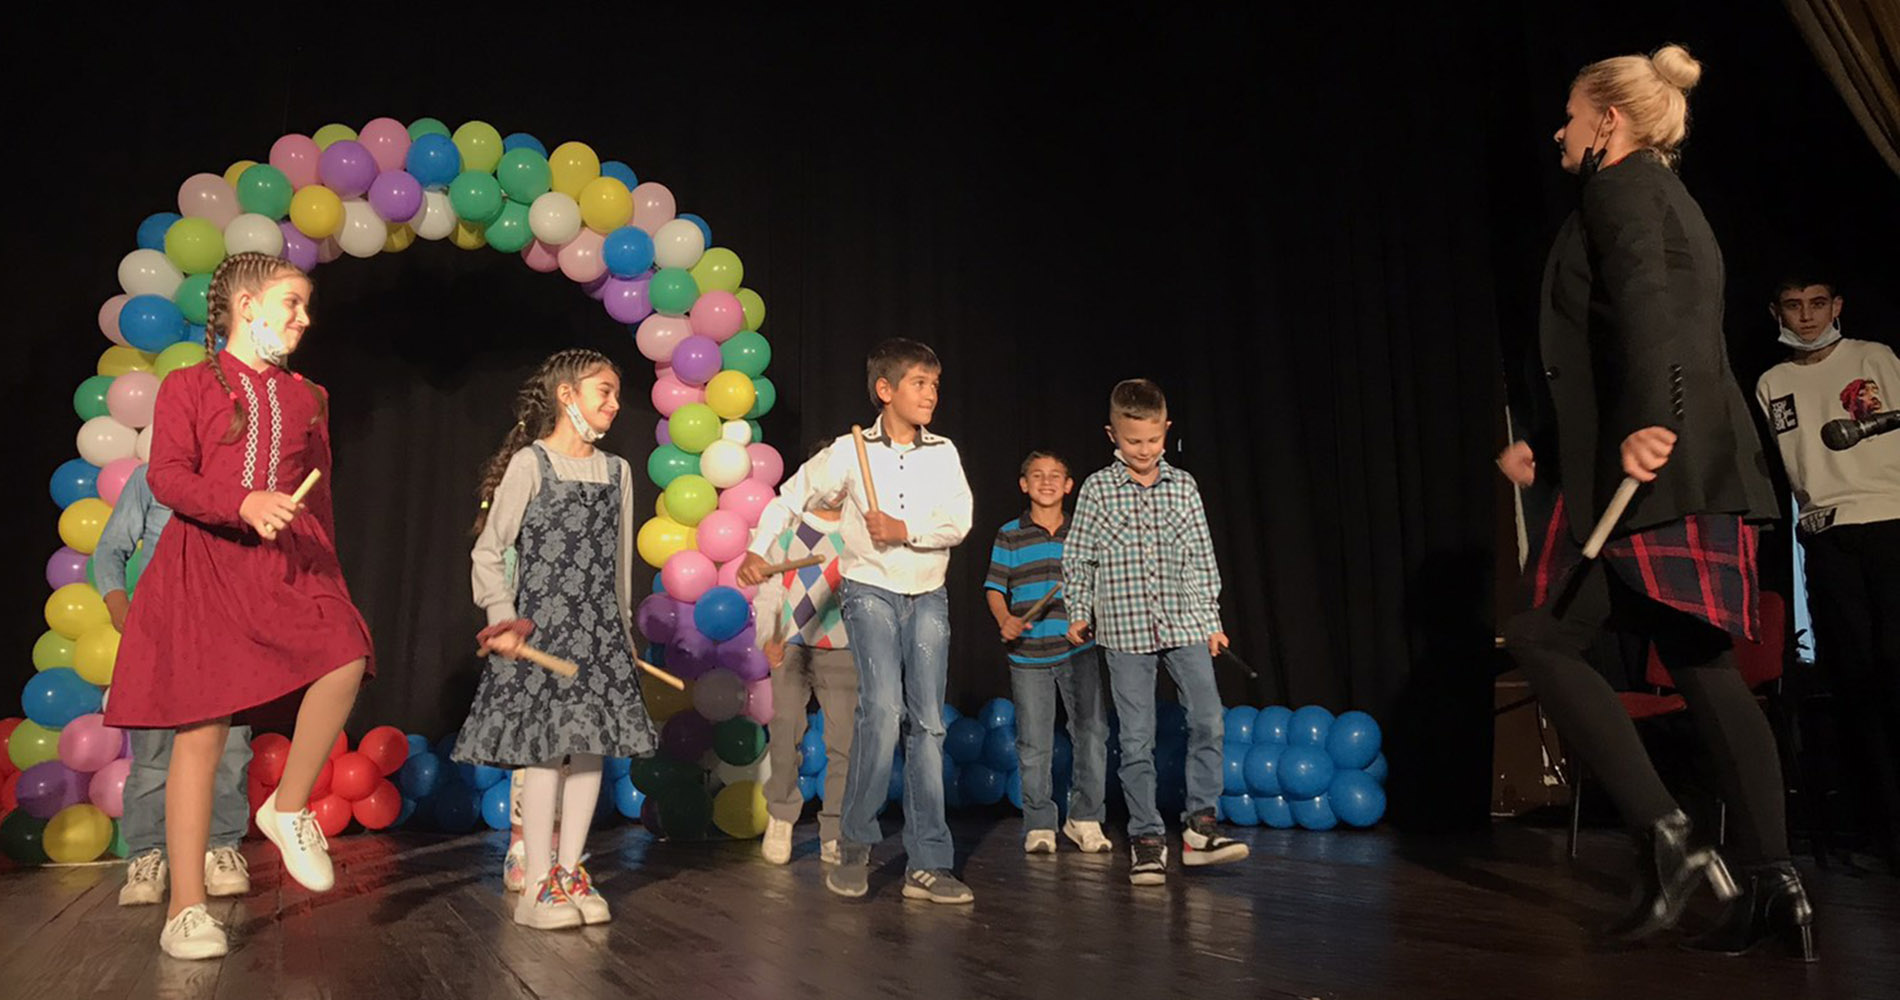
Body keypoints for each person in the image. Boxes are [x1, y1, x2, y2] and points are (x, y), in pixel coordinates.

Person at [1497, 45, 1812, 960]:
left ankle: (1669, 839)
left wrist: (1649, 423)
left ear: (1609, 119)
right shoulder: (1660, 193)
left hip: (1652, 464)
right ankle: (1775, 888)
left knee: (1542, 637)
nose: (1559, 132)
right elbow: (1615, 338)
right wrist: (1549, 442)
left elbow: (1654, 310)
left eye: (1569, 115)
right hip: (1676, 458)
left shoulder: (1624, 186)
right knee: (1700, 659)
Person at [105, 251, 372, 960]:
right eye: (292, 303)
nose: (304, 318)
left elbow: (321, 496)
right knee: (201, 736)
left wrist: (327, 571)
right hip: (206, 566)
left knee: (347, 653)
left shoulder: (309, 396)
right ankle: (186, 910)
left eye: (306, 306)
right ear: (247, 306)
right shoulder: (190, 385)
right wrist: (243, 502)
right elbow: (167, 477)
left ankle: (288, 808)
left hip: (287, 564)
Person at [738, 338, 975, 904]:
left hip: (928, 593)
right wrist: (758, 548)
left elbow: (960, 520)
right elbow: (789, 498)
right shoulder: (850, 452)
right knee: (883, 711)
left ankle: (929, 862)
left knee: (929, 726)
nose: (931, 394)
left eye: (935, 385)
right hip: (869, 590)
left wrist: (905, 530)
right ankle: (854, 847)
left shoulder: (943, 452)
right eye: (919, 383)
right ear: (885, 390)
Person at [458, 348, 659, 931]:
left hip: (598, 631)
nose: (614, 404)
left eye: (617, 393)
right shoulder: (531, 463)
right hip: (542, 628)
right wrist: (502, 617)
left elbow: (619, 564)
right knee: (546, 751)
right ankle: (537, 884)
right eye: (604, 391)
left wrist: (622, 632)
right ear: (567, 395)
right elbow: (489, 550)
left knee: (590, 749)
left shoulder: (618, 471)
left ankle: (570, 871)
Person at [1064, 379, 1249, 886]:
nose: (1144, 451)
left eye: (1152, 440)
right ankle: (1146, 838)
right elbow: (1078, 559)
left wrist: (1211, 622)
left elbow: (1201, 559)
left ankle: (1200, 827)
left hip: (1184, 623)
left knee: (1208, 719)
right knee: (1137, 738)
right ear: (1113, 436)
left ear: (1166, 429)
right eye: (1133, 442)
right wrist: (1079, 610)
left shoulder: (1183, 487)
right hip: (1125, 631)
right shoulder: (1098, 489)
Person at [1755, 275, 1900, 874]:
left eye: (1817, 304)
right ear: (1777, 312)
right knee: (1856, 680)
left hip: (1891, 522)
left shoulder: (1874, 357)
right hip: (1825, 535)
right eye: (1794, 306)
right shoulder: (1772, 383)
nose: (1807, 316)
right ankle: (1886, 831)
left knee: (1893, 668)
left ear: (1837, 305)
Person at [95, 466, 254, 907]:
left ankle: (221, 850)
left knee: (231, 750)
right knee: (154, 756)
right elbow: (111, 547)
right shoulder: (151, 477)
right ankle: (148, 855)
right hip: (161, 633)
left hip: (226, 632)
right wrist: (120, 606)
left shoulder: (240, 472)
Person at [985, 450, 1112, 855]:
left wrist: (1090, 619)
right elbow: (995, 588)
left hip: (1078, 650)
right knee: (1034, 742)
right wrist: (1006, 618)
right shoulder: (1010, 533)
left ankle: (1085, 818)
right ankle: (1039, 822)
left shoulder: (1084, 532)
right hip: (1028, 656)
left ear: (1069, 485)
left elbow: (1101, 588)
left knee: (1091, 733)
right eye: (1037, 475)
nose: (1046, 481)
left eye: (1055, 475)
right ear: (1024, 485)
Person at [752, 463, 855, 866]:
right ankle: (781, 816)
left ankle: (835, 829)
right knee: (785, 731)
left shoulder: (857, 533)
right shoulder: (788, 529)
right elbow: (769, 591)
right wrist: (768, 636)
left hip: (842, 648)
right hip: (791, 645)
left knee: (844, 742)